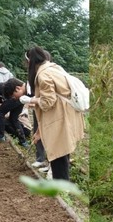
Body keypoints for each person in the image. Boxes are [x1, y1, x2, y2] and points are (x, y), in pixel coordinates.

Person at [23, 46, 85, 181]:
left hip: (59, 116)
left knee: (58, 153)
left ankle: (61, 186)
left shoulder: (43, 75)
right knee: (63, 152)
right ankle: (63, 184)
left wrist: (33, 100)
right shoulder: (54, 68)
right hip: (67, 114)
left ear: (31, 62)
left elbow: (48, 102)